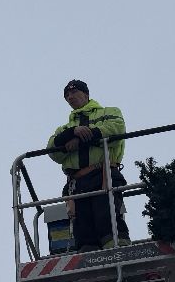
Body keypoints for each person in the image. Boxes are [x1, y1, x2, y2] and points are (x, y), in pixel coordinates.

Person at [48, 79, 130, 251]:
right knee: (82, 226)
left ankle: (119, 253)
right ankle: (89, 259)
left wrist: (80, 138)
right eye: (67, 95)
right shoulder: (64, 128)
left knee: (107, 216)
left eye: (74, 92)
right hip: (77, 183)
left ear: (86, 94)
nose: (70, 97)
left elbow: (116, 129)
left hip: (103, 174)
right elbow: (52, 151)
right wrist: (72, 132)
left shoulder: (109, 112)